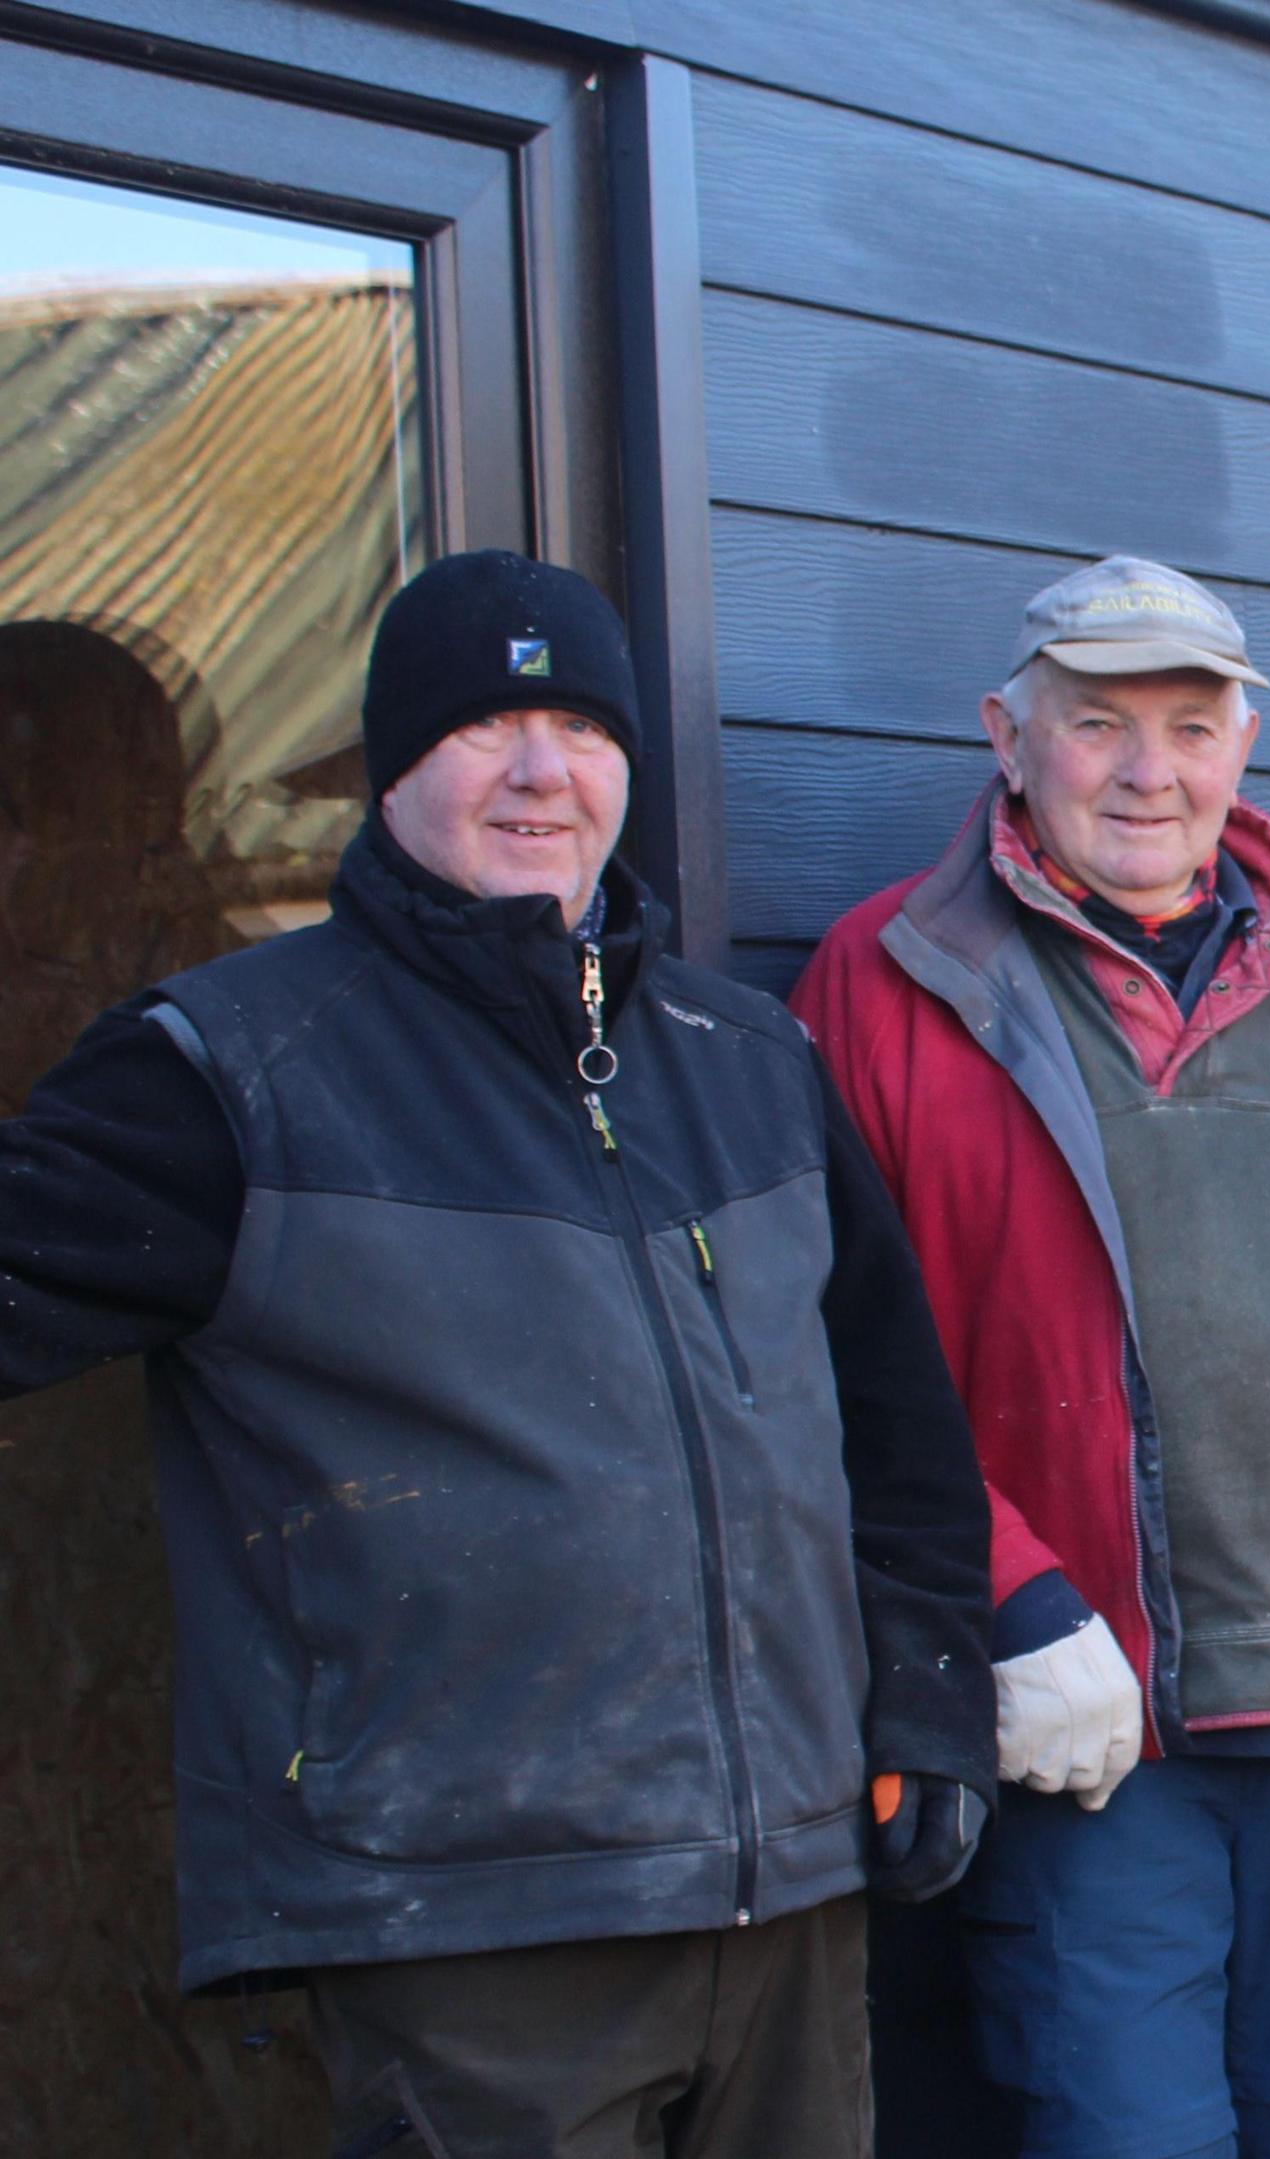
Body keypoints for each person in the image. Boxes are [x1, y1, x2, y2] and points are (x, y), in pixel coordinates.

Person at [0, 550, 995, 2156]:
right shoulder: (231, 1071)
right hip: (470, 1923)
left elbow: (896, 1431)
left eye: (582, 728)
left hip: (789, 1897)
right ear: (396, 771)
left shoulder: (747, 1057)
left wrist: (934, 1701)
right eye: (487, 727)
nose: (543, 770)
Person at [793, 556, 1270, 2159]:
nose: (1149, 771)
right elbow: (829, 1350)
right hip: (1093, 1738)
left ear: (1244, 744)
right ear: (1007, 733)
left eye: (1191, 726)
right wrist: (1004, 1597)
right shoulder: (894, 975)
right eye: (1097, 723)